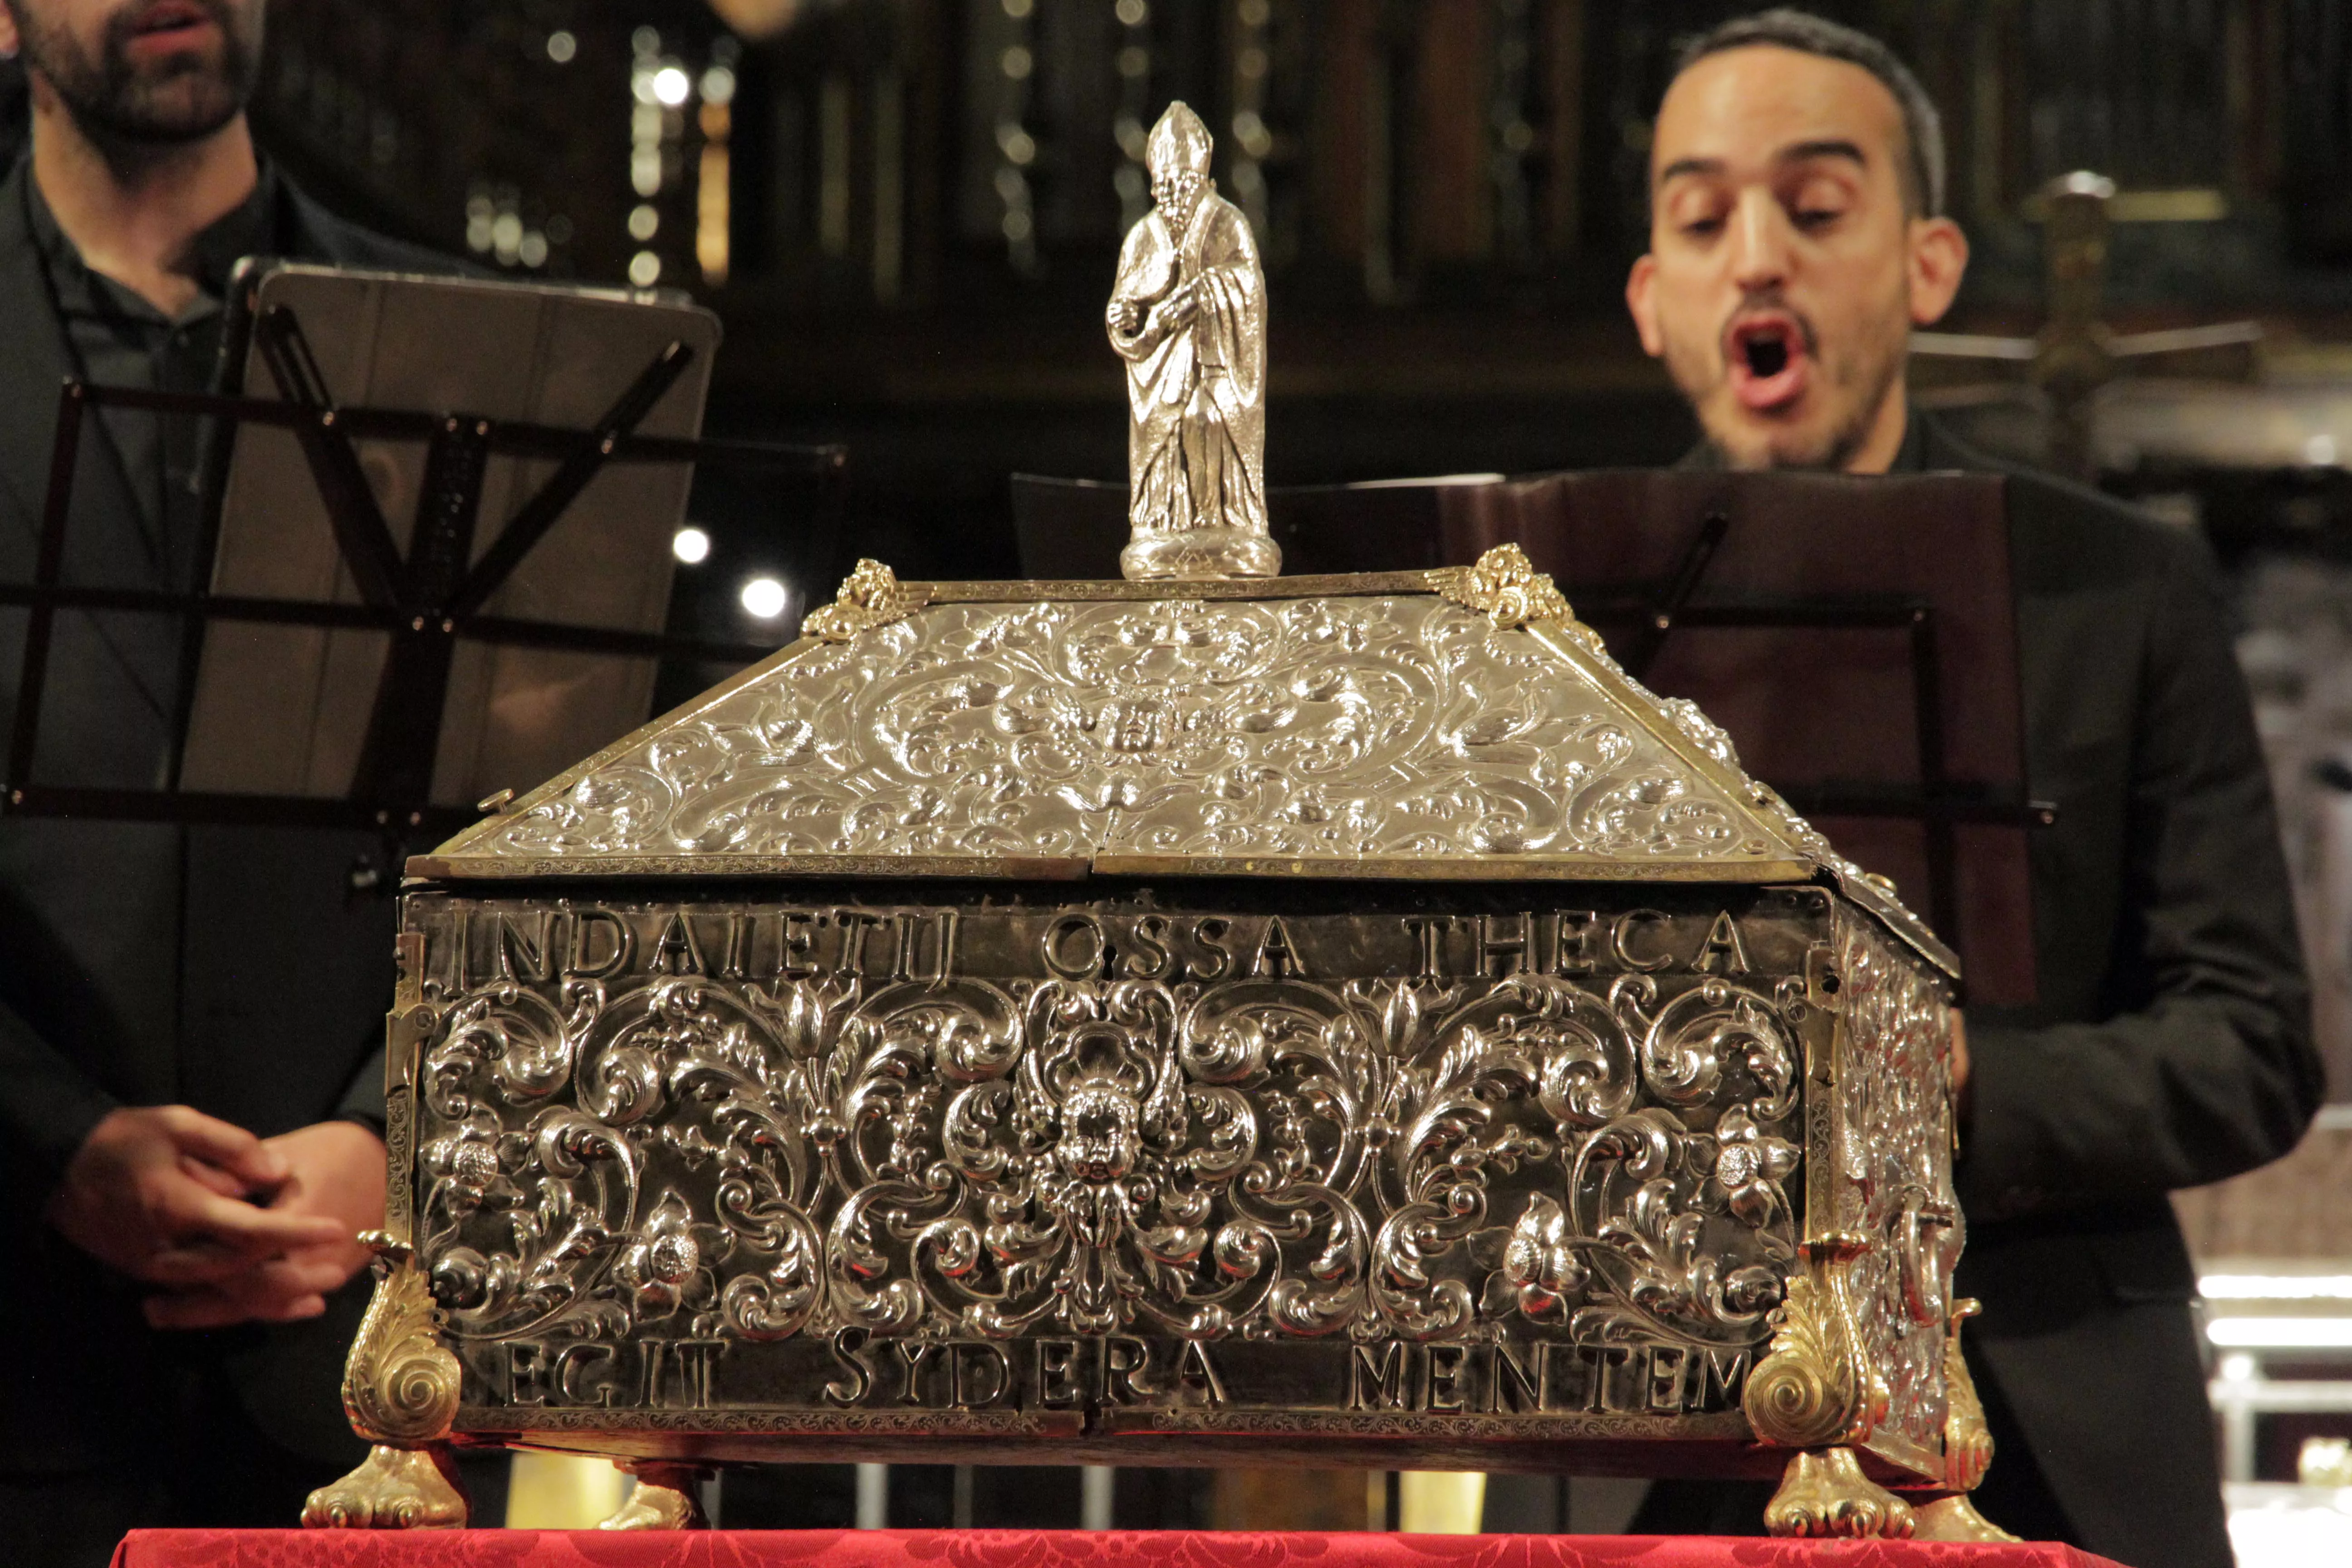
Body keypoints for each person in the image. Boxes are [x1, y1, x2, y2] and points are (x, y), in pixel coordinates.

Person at [1585, 12, 2321, 1568]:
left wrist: (1957, 1082)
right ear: (1655, 299)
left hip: (2049, 1411)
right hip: (1652, 1422)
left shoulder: (2120, 591)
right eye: (1705, 219)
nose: (1760, 258)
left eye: (1819, 206)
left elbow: (2251, 1046)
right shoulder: (1556, 631)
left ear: (1926, 266)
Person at [0, 2, 460, 1561]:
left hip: (371, 1379)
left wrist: (394, 1139)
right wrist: (48, 1140)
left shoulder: (468, 338)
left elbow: (542, 829)